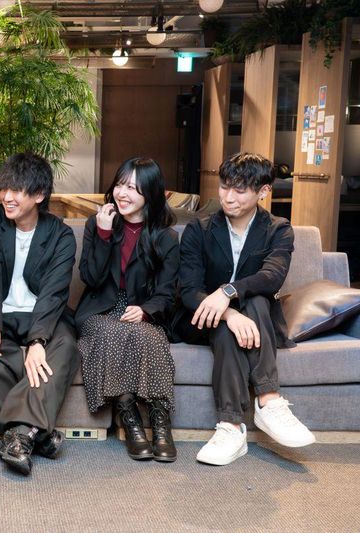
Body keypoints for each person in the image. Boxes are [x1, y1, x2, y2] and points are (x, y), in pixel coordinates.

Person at [176, 152, 316, 466]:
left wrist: (229, 292)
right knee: (230, 319)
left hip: (255, 317)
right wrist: (228, 312)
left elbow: (272, 277)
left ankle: (232, 425)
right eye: (224, 187)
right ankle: (268, 400)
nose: (228, 197)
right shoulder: (199, 229)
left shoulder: (278, 229)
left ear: (263, 191)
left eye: (239, 190)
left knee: (255, 300)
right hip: (201, 318)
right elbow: (188, 289)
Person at [0, 152, 78, 476]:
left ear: (39, 195)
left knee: (65, 346)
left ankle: (18, 435)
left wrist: (38, 340)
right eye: (4, 188)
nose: (7, 197)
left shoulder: (60, 235)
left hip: (40, 315)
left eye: (16, 190)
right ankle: (35, 433)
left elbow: (54, 292)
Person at [75, 158, 179, 462]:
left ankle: (160, 421)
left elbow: (167, 293)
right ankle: (130, 418)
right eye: (120, 184)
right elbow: (90, 278)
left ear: (151, 193)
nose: (122, 193)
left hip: (144, 310)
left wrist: (145, 311)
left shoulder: (165, 236)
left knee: (150, 337)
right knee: (111, 332)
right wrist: (104, 234)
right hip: (101, 308)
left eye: (133, 188)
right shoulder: (97, 224)